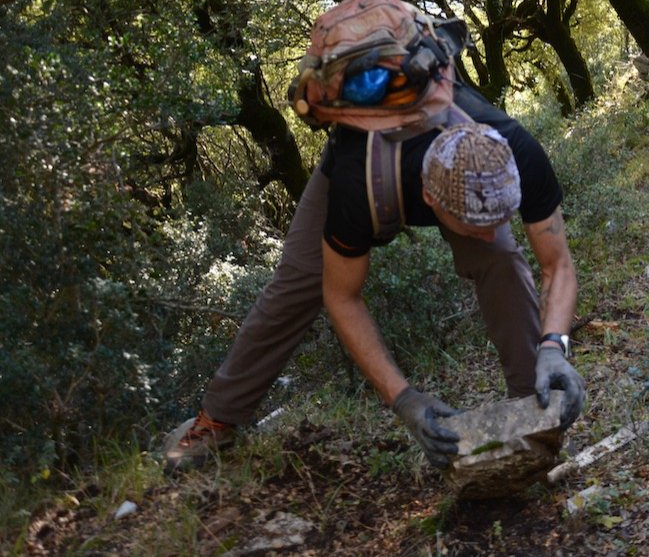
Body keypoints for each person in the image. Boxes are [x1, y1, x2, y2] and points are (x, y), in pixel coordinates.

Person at [162, 80, 586, 472]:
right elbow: (342, 297)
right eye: (477, 223)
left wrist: (553, 346)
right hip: (366, 159)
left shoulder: (518, 153)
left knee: (502, 257)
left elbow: (557, 264)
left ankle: (533, 409)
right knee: (300, 280)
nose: (491, 229)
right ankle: (217, 419)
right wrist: (405, 400)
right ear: (428, 198)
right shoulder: (356, 186)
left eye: (501, 214)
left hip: (451, 162)